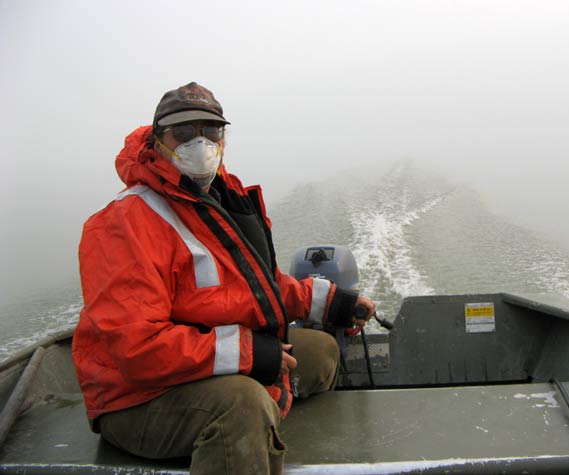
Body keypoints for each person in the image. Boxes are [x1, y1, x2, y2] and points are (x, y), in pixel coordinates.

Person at [72, 81, 376, 475]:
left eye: (210, 131)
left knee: (320, 353)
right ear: (157, 140)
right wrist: (250, 354)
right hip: (137, 397)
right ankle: (245, 430)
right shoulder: (122, 223)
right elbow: (136, 350)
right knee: (242, 404)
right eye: (182, 133)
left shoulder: (219, 203)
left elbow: (258, 287)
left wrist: (332, 301)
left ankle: (253, 436)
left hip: (204, 362)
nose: (199, 144)